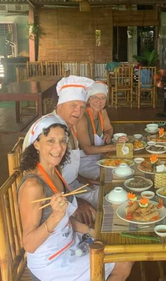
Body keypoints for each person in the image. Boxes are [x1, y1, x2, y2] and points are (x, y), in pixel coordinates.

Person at [17, 115, 133, 281]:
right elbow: (29, 244)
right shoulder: (33, 186)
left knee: (125, 248)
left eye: (63, 141)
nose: (58, 148)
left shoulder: (56, 172)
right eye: (50, 141)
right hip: (52, 261)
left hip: (68, 242)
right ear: (36, 143)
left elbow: (65, 221)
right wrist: (55, 216)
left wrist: (92, 231)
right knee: (124, 263)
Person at [23, 75, 97, 225]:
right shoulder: (52, 129)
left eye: (82, 107)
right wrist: (74, 202)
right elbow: (42, 178)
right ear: (60, 105)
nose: (78, 111)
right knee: (106, 202)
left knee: (108, 193)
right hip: (54, 199)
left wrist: (81, 178)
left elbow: (65, 166)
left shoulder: (66, 125)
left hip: (69, 187)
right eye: (73, 105)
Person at [76, 81, 125, 181]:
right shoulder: (82, 118)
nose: (99, 101)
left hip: (99, 157)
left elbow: (109, 128)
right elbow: (87, 149)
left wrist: (108, 134)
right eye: (95, 97)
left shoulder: (102, 112)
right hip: (84, 162)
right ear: (88, 99)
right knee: (113, 175)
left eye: (102, 98)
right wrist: (112, 147)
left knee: (122, 168)